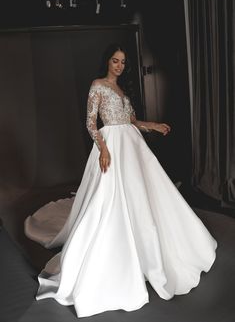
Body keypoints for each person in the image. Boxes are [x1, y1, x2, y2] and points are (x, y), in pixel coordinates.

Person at [24, 43, 217, 318]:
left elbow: (131, 120)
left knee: (143, 196)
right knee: (113, 199)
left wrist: (153, 125)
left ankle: (151, 249)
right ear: (107, 62)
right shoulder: (98, 85)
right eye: (115, 61)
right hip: (112, 145)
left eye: (123, 62)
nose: (119, 66)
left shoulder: (122, 91)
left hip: (132, 145)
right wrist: (103, 149)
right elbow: (91, 123)